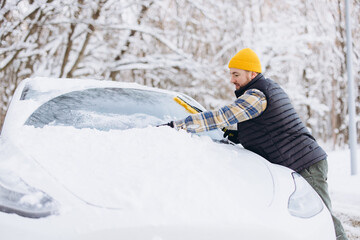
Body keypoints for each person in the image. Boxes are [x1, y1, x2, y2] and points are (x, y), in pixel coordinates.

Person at [165, 48, 348, 240]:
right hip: (299, 162)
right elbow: (269, 127)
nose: (231, 80)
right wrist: (238, 135)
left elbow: (222, 116)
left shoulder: (257, 95)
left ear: (252, 73)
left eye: (236, 74)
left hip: (305, 164)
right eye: (231, 74)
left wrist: (177, 125)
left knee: (323, 221)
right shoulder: (263, 90)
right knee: (304, 221)